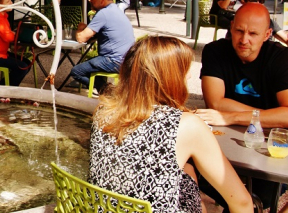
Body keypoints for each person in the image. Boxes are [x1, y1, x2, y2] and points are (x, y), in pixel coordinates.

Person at [90, 36, 253, 213]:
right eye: (184, 69)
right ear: (169, 77)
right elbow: (242, 202)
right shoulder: (187, 126)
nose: (189, 75)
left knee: (188, 171)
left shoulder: (104, 112)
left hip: (107, 208)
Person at [198, 3, 288, 212]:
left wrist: (231, 117)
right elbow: (216, 103)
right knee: (193, 172)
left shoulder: (281, 57)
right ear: (232, 27)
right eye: (239, 31)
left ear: (267, 34)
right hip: (225, 143)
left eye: (253, 33)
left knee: (260, 194)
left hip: (268, 148)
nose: (244, 40)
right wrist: (271, 115)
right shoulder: (215, 51)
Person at [70, 0, 135, 92]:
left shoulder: (103, 13)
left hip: (114, 61)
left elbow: (81, 38)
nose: (91, 1)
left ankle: (109, 93)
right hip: (127, 59)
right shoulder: (116, 9)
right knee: (92, 64)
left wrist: (80, 28)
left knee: (76, 71)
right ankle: (107, 91)